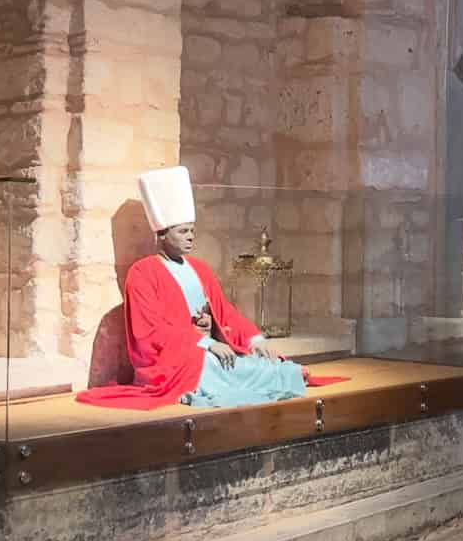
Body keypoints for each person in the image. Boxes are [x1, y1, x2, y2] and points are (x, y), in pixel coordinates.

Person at [78, 167, 309, 409]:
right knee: (221, 367)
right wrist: (205, 343)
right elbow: (149, 332)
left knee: (262, 363)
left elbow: (224, 312)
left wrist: (253, 340)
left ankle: (274, 373)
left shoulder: (200, 268)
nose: (190, 237)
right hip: (175, 359)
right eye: (183, 231)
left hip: (206, 348)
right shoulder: (142, 272)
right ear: (163, 235)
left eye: (192, 231)